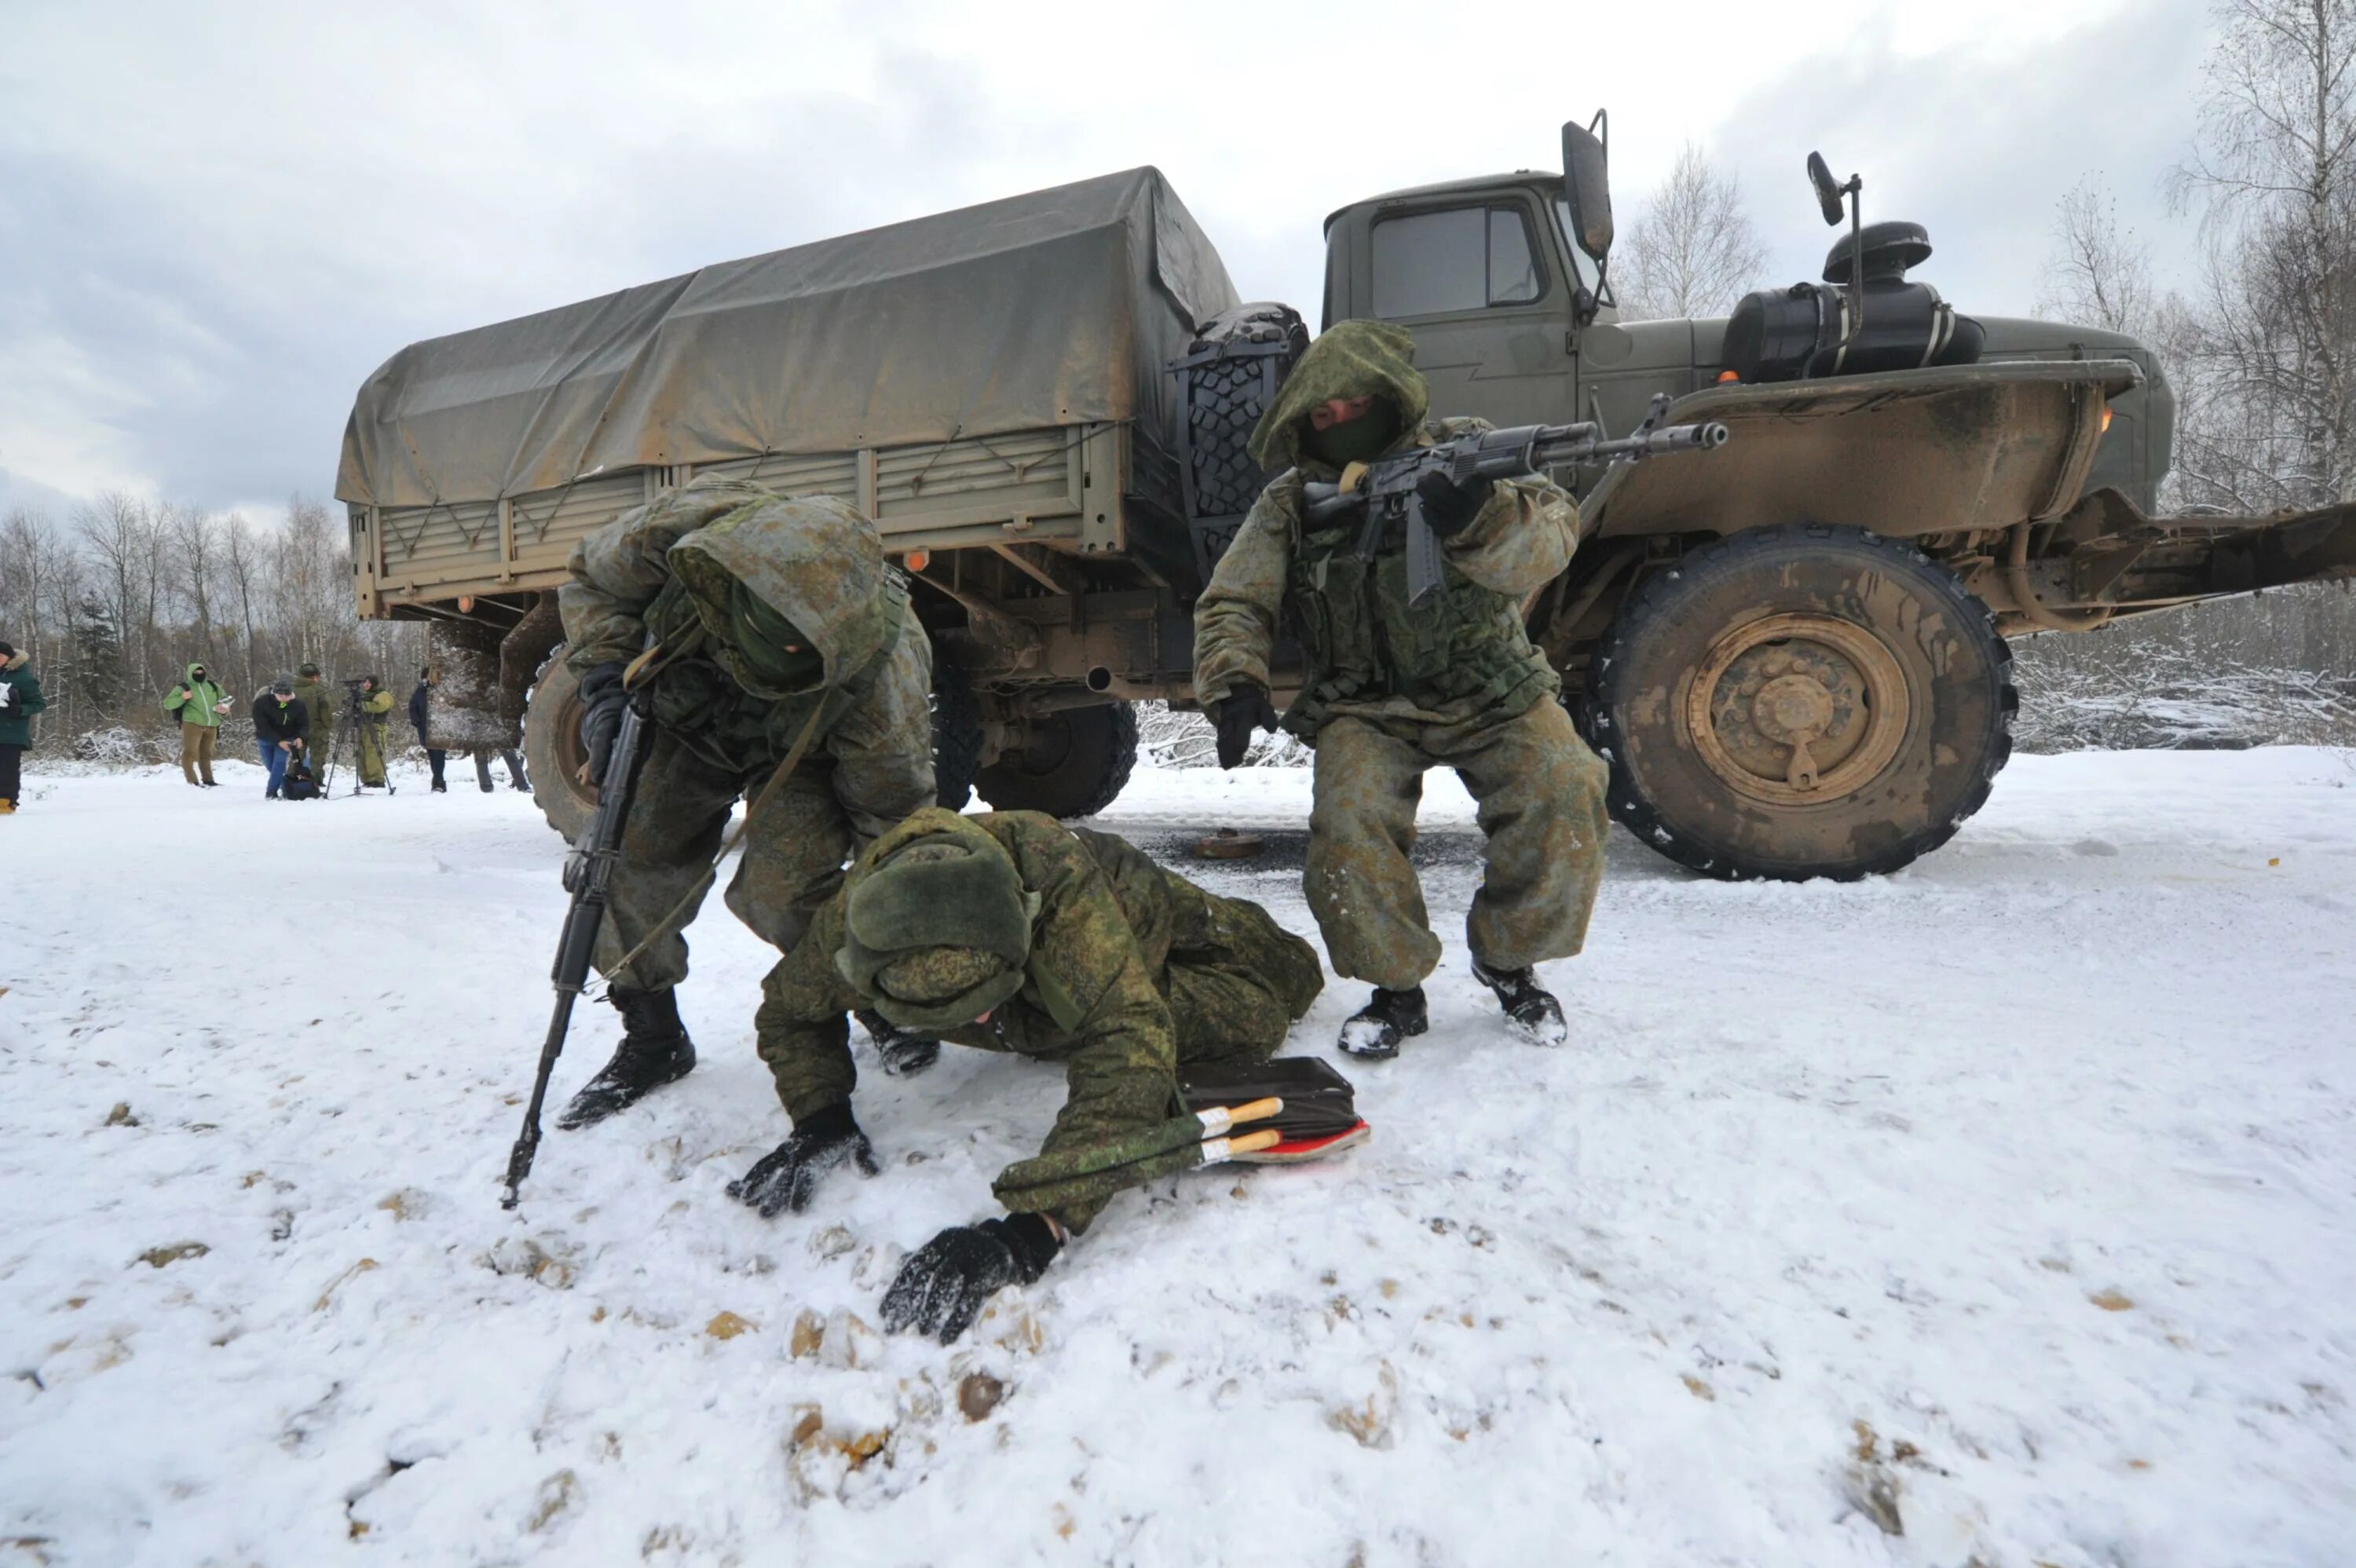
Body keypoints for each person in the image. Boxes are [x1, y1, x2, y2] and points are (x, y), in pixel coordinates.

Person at [737, 806, 1323, 1343]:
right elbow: (788, 1012)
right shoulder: (857, 927)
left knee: (1286, 986)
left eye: (988, 996)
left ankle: (1256, 944)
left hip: (1133, 911)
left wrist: (1038, 1223)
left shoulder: (1060, 886)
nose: (984, 1019)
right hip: (1051, 989)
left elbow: (1128, 1035)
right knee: (1243, 1017)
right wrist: (820, 1116)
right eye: (967, 1011)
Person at [1191, 318, 1612, 1059]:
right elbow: (1235, 597)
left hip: (1490, 686)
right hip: (1364, 700)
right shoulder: (1292, 501)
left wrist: (1479, 517)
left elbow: (1552, 539)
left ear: (1389, 395)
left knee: (1566, 783)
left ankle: (1510, 961)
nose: (1342, 421)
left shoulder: (1467, 450)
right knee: (1348, 824)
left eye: (1356, 404)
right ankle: (1395, 989)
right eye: (1323, 414)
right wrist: (1234, 681)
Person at [552, 473, 938, 1129]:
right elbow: (591, 581)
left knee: (781, 891)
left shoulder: (884, 672)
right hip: (686, 705)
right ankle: (654, 1038)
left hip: (803, 747)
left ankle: (870, 999)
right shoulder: (678, 532)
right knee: (625, 855)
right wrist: (604, 686)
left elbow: (893, 823)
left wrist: (898, 960)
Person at [163, 661, 232, 788]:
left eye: (201, 672)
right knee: (190, 752)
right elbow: (168, 704)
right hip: (192, 723)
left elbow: (225, 702)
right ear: (190, 673)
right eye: (196, 673)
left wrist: (224, 710)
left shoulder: (214, 686)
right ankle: (192, 781)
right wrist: (182, 698)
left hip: (212, 724)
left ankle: (208, 780)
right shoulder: (183, 688)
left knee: (206, 753)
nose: (199, 674)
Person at [0, 639, 46, 815]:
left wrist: (20, 709)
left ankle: (5, 802)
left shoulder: (24, 678)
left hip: (11, 732)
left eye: (0, 656)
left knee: (7, 768)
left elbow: (39, 704)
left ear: (10, 658)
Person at [251, 677, 310, 799]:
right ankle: (287, 787)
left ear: (291, 694)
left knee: (279, 763)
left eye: (286, 695)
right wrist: (278, 740)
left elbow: (303, 724)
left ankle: (271, 792)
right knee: (271, 766)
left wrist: (300, 737)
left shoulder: (298, 705)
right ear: (274, 694)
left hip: (287, 737)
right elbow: (262, 725)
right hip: (266, 738)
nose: (283, 698)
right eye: (280, 695)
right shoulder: (261, 703)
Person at [291, 662, 335, 769]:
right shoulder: (319, 690)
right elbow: (325, 710)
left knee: (297, 756)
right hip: (316, 729)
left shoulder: (292, 689)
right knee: (318, 757)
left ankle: (292, 778)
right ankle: (315, 780)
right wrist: (327, 726)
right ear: (315, 676)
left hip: (296, 729)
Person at [410, 664, 447, 792]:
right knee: (432, 755)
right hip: (425, 728)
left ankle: (437, 782)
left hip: (439, 728)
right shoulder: (420, 690)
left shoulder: (441, 689)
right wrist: (417, 721)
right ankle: (440, 781)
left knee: (438, 756)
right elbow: (413, 705)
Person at [354, 674, 395, 788]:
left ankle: (377, 779)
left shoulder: (382, 694)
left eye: (369, 682)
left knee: (374, 753)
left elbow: (379, 707)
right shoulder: (363, 695)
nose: (366, 684)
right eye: (365, 682)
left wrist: (361, 705)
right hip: (362, 727)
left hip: (375, 727)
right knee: (362, 753)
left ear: (374, 683)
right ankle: (367, 779)